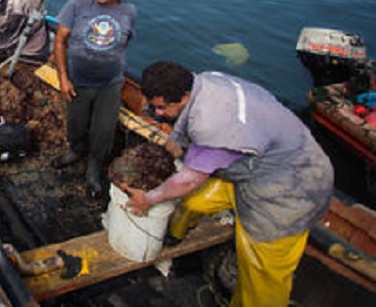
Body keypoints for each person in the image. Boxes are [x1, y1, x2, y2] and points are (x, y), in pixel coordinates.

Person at [125, 61, 334, 307]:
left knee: (262, 279)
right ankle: (175, 236)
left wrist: (147, 199)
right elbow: (178, 139)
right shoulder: (204, 81)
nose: (157, 113)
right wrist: (163, 160)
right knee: (193, 203)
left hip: (290, 190)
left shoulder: (211, 125)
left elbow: (189, 180)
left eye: (162, 108)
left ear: (184, 96)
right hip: (252, 166)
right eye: (154, 106)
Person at [51, 0, 136, 201]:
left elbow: (124, 43)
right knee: (76, 124)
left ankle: (93, 169)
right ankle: (75, 151)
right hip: (78, 81)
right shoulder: (76, 5)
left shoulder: (129, 11)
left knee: (103, 132)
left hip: (110, 84)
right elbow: (60, 41)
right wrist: (63, 78)